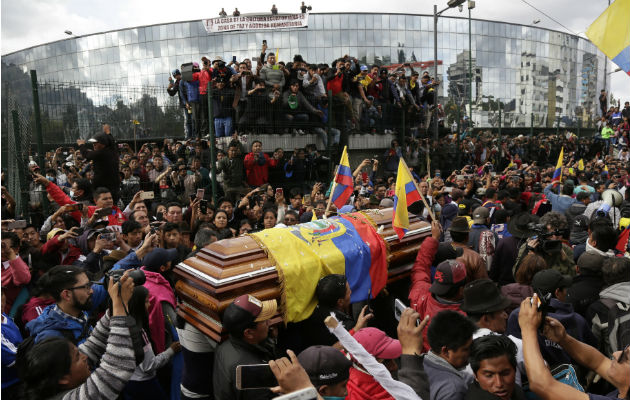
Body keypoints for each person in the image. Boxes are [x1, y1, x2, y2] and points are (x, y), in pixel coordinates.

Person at [16, 270, 137, 400]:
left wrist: (114, 309)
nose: (85, 356)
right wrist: (119, 310)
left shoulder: (77, 316)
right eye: (77, 357)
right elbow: (118, 369)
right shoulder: (50, 336)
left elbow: (92, 346)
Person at [518, 295, 630, 400]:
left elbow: (542, 385)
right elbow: (598, 362)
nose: (616, 354)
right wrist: (564, 339)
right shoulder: (625, 384)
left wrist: (528, 329)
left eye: (624, 358)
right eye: (625, 350)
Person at [506, 269, 597, 368]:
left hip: (531, 378)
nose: (567, 293)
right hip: (569, 380)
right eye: (565, 289)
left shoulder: (518, 316)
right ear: (557, 292)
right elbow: (592, 353)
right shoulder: (577, 321)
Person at [409, 221, 467, 353]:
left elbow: (420, 265)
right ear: (461, 289)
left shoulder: (421, 292)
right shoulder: (464, 319)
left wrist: (434, 238)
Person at [213, 294, 279, 400]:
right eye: (264, 320)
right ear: (248, 333)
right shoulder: (252, 373)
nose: (270, 321)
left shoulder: (224, 346)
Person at [121, 286, 181, 400]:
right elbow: (149, 366)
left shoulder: (122, 323)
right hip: (144, 382)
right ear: (138, 304)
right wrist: (171, 351)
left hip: (128, 381)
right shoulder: (138, 331)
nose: (149, 304)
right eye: (146, 301)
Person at [26, 265, 106, 344]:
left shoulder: (77, 311)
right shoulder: (52, 340)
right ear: (67, 295)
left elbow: (101, 289)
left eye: (90, 285)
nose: (91, 291)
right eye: (86, 286)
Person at [423, 310, 477, 400]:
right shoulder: (454, 388)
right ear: (446, 351)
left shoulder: (418, 363)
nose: (471, 352)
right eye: (466, 349)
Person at [345, 327, 402, 400]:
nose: (395, 367)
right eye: (385, 362)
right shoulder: (375, 394)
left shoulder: (343, 360)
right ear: (361, 364)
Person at [466, 334, 525, 400]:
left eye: (505, 374)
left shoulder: (517, 391)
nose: (499, 384)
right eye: (489, 375)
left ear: (515, 370)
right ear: (476, 376)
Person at [77, 129, 121, 203]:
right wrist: (108, 133)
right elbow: (112, 142)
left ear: (103, 144)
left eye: (96, 143)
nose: (93, 145)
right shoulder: (112, 150)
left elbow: (87, 155)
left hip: (103, 187)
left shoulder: (101, 153)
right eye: (93, 143)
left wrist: (81, 145)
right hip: (113, 187)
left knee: (103, 206)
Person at [1, 232, 31, 313]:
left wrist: (10, 254)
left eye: (3, 247)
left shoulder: (18, 266)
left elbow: (24, 279)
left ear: (16, 249)